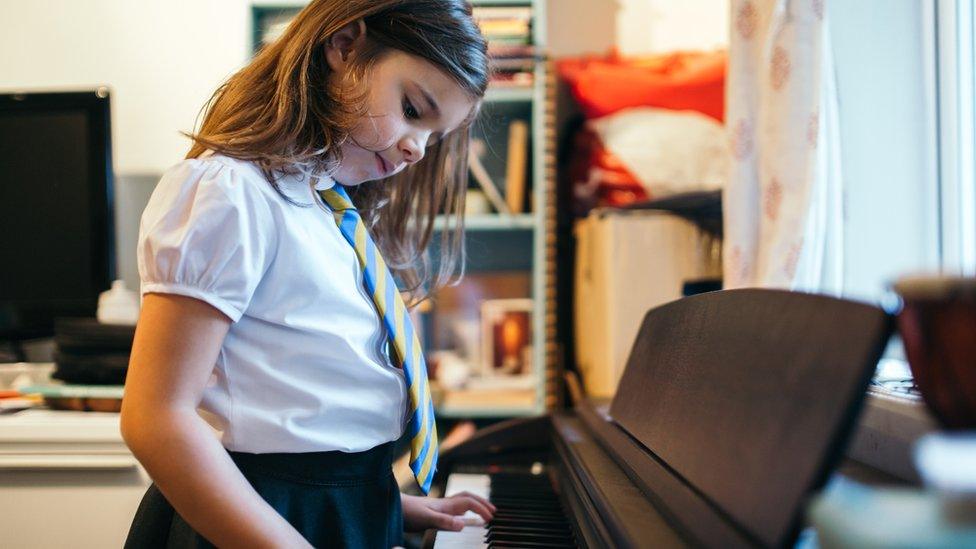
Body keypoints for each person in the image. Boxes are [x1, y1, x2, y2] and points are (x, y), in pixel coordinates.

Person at [120, 1, 495, 546]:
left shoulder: (327, 211)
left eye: (435, 138)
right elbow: (156, 421)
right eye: (413, 109)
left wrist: (385, 506)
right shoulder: (230, 191)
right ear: (344, 46)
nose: (417, 149)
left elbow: (314, 424)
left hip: (332, 510)